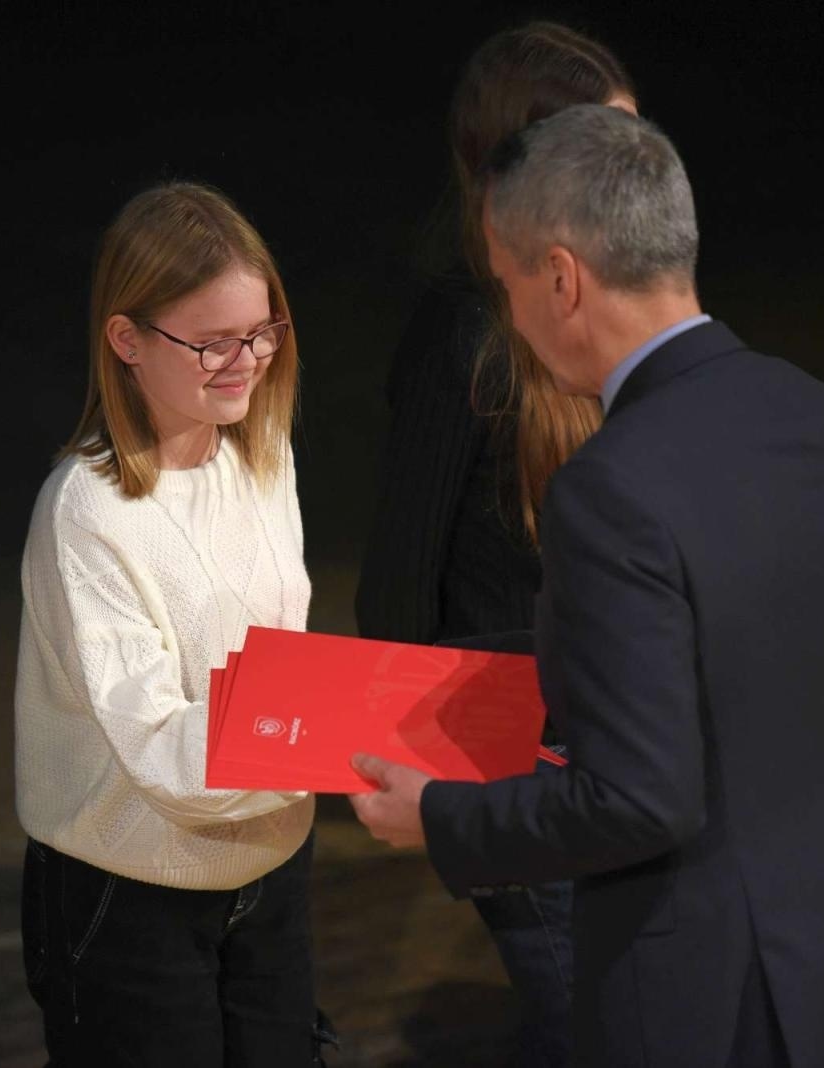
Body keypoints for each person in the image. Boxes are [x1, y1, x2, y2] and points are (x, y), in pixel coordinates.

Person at [348, 105, 824, 1067]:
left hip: (716, 1004)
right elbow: (738, 658)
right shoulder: (804, 409)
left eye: (507, 285)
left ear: (561, 278)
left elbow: (639, 799)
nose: (510, 316)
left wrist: (440, 818)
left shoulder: (608, 486)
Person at [354, 23, 634, 1063]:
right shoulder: (465, 337)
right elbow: (396, 590)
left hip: (621, 759)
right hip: (512, 767)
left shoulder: (617, 304)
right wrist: (444, 793)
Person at [15, 182, 318, 1066]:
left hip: (272, 870)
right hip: (130, 897)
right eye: (213, 341)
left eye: (262, 332)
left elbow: (281, 670)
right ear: (127, 340)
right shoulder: (88, 511)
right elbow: (161, 750)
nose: (246, 361)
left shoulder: (262, 454)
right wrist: (335, 741)